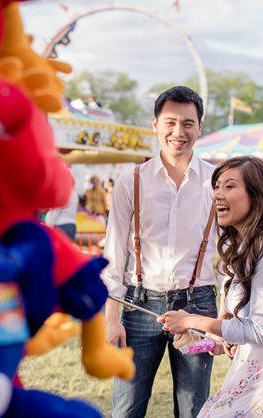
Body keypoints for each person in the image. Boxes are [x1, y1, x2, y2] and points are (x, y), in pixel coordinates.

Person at [158, 156, 263, 417]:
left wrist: (191, 321)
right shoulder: (243, 244)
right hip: (259, 362)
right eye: (217, 186)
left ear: (256, 197)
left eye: (230, 186)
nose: (218, 194)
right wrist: (233, 336)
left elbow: (260, 331)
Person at [101, 86, 219, 418]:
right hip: (139, 305)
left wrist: (226, 319)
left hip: (199, 303)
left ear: (199, 126)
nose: (178, 132)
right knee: (126, 407)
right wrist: (112, 318)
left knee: (194, 408)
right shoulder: (131, 180)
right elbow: (113, 256)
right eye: (170, 122)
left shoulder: (217, 181)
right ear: (155, 124)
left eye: (188, 123)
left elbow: (229, 256)